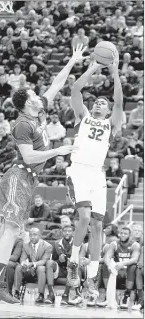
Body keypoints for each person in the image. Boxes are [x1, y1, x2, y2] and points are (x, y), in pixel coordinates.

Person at [0, 44, 86, 309]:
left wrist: (71, 61)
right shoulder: (23, 124)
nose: (39, 95)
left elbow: (56, 84)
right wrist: (58, 149)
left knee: (7, 231)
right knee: (10, 230)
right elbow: (29, 156)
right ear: (26, 103)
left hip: (26, 180)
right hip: (18, 177)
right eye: (35, 94)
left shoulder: (39, 112)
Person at [66, 48, 123, 304]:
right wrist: (92, 68)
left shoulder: (111, 123)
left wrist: (115, 71)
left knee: (98, 226)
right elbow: (75, 91)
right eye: (97, 102)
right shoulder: (83, 116)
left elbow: (120, 103)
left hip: (97, 177)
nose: (99, 103)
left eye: (103, 103)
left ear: (108, 109)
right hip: (78, 171)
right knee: (85, 218)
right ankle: (73, 260)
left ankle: (91, 276)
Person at [104, 227, 140, 309]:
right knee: (104, 266)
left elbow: (135, 259)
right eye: (121, 233)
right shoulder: (114, 243)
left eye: (125, 233)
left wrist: (123, 263)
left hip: (128, 271)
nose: (123, 235)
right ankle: (107, 297)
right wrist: (109, 265)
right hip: (117, 270)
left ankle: (126, 295)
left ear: (129, 235)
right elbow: (107, 256)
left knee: (133, 267)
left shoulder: (135, 245)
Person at [14, 228, 52, 302]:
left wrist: (32, 264)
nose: (32, 237)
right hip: (29, 270)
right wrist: (24, 264)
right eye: (30, 235)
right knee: (19, 267)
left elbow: (44, 261)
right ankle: (16, 292)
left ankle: (41, 295)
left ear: (40, 235)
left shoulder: (47, 246)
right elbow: (22, 259)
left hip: (40, 271)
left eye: (35, 235)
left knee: (41, 268)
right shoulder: (25, 245)